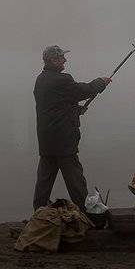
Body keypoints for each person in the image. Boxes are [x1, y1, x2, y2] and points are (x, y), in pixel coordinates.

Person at [32, 45, 111, 212]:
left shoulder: (41, 79)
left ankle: (38, 212)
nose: (65, 60)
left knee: (44, 181)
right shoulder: (62, 79)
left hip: (47, 139)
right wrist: (101, 82)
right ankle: (88, 214)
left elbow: (54, 105)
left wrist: (74, 110)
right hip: (63, 141)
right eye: (61, 57)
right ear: (53, 60)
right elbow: (83, 91)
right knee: (76, 180)